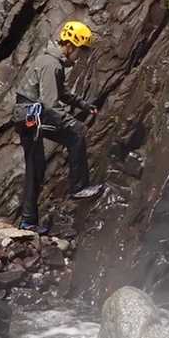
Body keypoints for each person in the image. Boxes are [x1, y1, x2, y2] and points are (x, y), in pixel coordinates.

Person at [15, 20, 102, 233]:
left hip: (28, 115)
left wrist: (84, 105)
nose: (79, 56)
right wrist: (71, 122)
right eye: (80, 51)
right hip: (32, 116)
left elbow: (61, 92)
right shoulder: (51, 64)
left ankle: (28, 222)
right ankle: (78, 187)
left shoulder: (52, 61)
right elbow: (50, 104)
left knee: (36, 167)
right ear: (70, 46)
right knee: (76, 133)